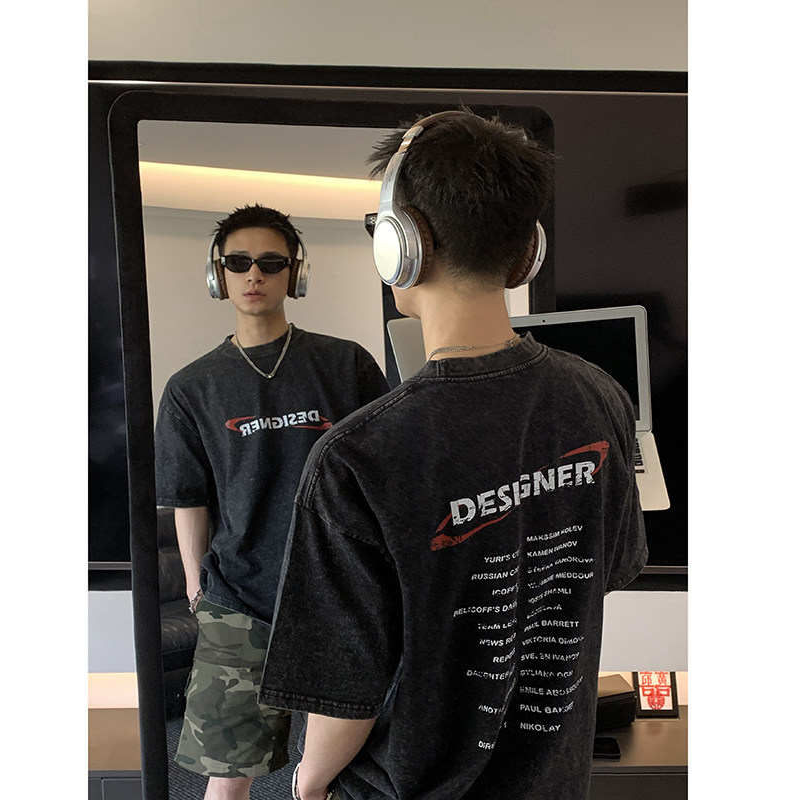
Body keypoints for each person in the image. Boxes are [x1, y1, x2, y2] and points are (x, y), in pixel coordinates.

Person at [259, 109, 648, 800]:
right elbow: (602, 571)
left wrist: (308, 782)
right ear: (525, 252)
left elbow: (347, 692)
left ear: (403, 245)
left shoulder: (358, 457)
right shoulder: (601, 396)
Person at [154, 203, 389, 800]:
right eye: (238, 263)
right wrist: (196, 587)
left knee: (327, 777)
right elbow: (188, 497)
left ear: (294, 273)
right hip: (240, 596)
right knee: (227, 773)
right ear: (219, 275)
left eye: (270, 262)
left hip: (339, 590)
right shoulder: (191, 387)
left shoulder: (346, 364)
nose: (253, 274)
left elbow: (385, 475)